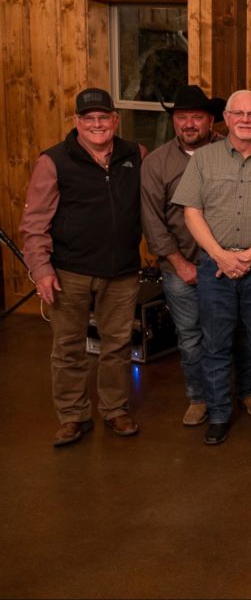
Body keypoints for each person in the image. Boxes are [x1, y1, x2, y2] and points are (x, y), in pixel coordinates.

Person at [172, 89, 251, 447]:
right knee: (215, 345)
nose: (245, 120)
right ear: (226, 119)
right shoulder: (203, 160)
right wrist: (221, 255)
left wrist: (249, 256)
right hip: (215, 266)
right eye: (238, 113)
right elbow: (191, 212)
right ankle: (217, 416)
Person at [21, 87, 146, 446]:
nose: (96, 124)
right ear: (77, 122)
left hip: (121, 271)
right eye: (88, 118)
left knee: (118, 346)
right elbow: (34, 224)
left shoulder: (135, 155)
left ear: (115, 120)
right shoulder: (54, 161)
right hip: (69, 272)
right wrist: (41, 270)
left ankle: (115, 409)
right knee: (68, 347)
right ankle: (73, 415)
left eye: (103, 117)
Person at [141, 84, 231, 426]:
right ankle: (199, 397)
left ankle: (236, 393)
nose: (189, 124)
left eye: (196, 117)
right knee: (191, 337)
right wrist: (179, 264)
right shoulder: (157, 163)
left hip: (225, 264)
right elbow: (152, 219)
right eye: (182, 118)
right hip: (182, 267)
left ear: (211, 121)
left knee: (229, 333)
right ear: (174, 121)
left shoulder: (229, 151)